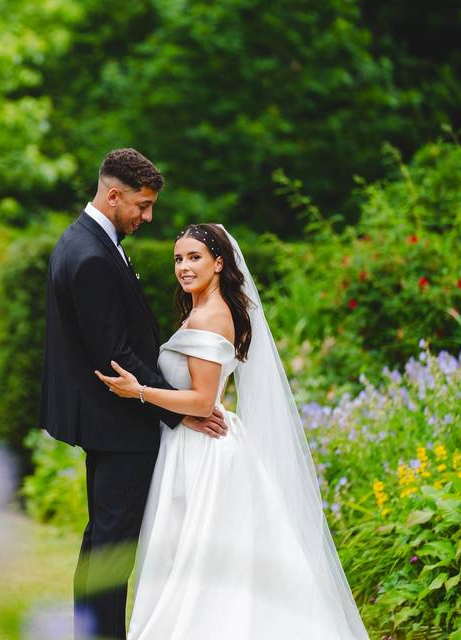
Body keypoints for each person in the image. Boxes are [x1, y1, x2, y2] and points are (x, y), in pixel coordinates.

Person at [95, 223, 369, 639]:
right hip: (194, 443)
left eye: (194, 258)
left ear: (219, 263)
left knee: (198, 563)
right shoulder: (205, 311)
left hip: (201, 452)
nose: (184, 267)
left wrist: (140, 391)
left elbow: (204, 401)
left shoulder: (210, 317)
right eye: (178, 259)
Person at [38, 149, 229, 639]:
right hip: (120, 425)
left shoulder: (85, 242)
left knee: (103, 542)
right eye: (142, 206)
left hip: (109, 421)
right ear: (114, 194)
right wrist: (177, 408)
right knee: (112, 547)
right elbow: (115, 351)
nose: (147, 217)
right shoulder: (90, 255)